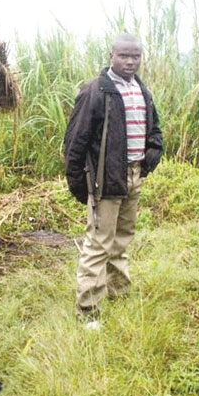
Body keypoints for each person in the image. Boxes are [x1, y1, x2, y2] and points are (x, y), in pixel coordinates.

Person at [64, 33, 163, 324]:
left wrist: (153, 153)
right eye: (124, 55)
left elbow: (154, 128)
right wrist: (79, 184)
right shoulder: (97, 90)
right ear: (111, 55)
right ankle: (88, 310)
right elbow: (75, 141)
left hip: (133, 175)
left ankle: (119, 293)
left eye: (135, 56)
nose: (130, 61)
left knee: (122, 238)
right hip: (105, 180)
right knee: (99, 242)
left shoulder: (141, 90)